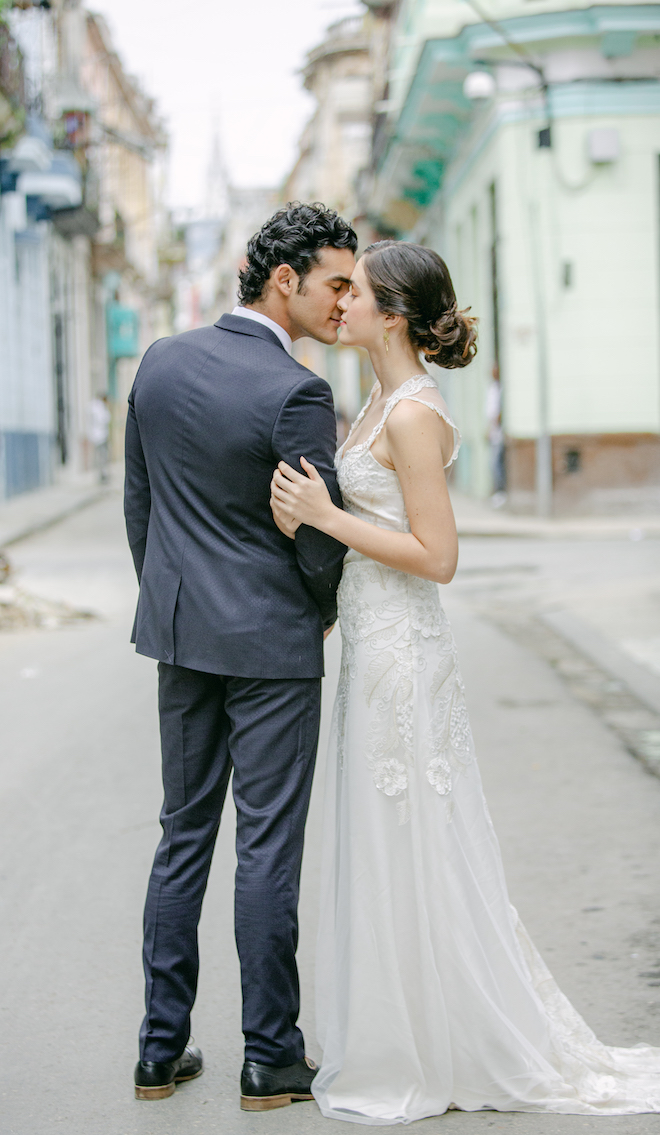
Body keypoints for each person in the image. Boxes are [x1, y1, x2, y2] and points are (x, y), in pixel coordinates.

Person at [270, 239, 660, 1124]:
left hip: (405, 654)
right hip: (371, 645)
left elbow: (438, 556)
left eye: (356, 292)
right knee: (385, 840)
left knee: (413, 838)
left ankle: (436, 1040)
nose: (341, 305)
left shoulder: (411, 412)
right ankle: (402, 1025)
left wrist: (327, 514)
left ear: (393, 314)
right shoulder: (375, 397)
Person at [124, 203, 356, 1107]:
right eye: (336, 283)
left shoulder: (161, 361)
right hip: (271, 643)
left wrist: (172, 599)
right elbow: (317, 532)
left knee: (184, 833)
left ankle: (157, 1048)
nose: (346, 302)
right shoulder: (296, 391)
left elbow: (141, 506)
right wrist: (322, 609)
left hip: (182, 637)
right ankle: (270, 1054)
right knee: (266, 845)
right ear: (283, 280)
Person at [87, 393, 111, 484]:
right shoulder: (101, 408)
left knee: (99, 457)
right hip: (101, 436)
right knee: (103, 457)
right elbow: (106, 419)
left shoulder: (91, 406)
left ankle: (100, 475)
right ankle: (102, 475)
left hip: (95, 436)